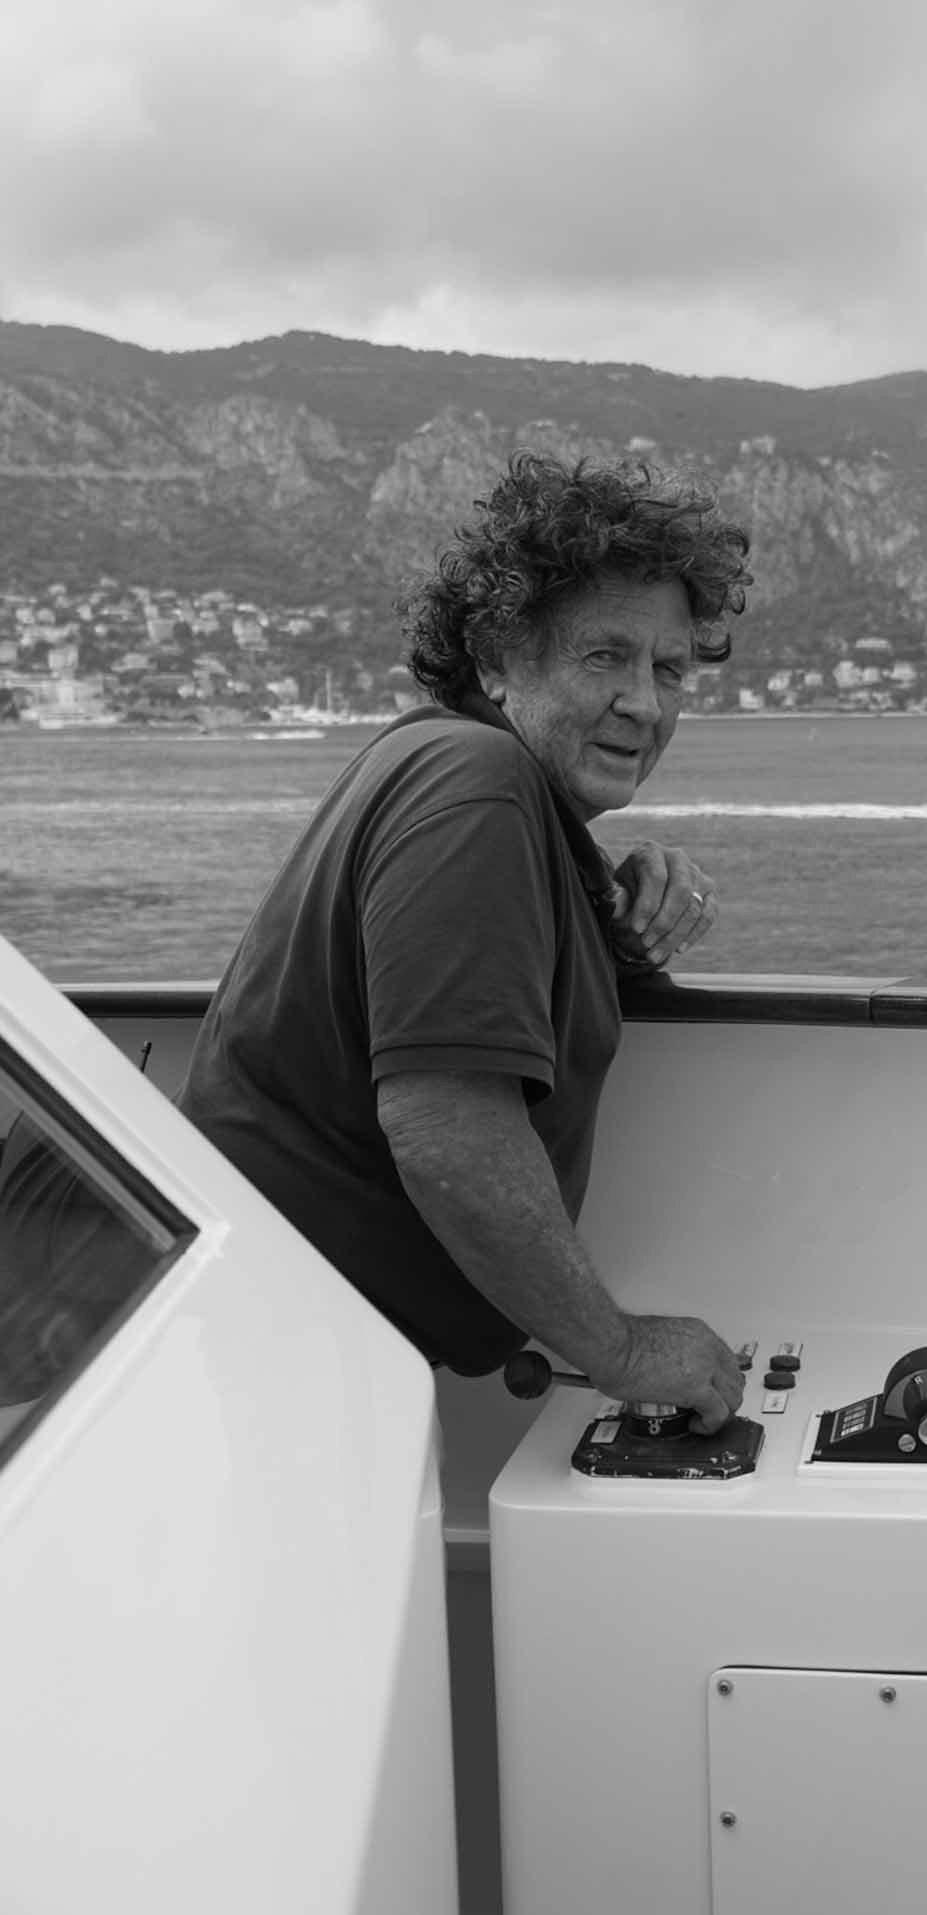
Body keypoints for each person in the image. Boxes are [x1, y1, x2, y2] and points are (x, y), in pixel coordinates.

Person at [177, 452, 753, 1433]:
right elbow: (447, 1127)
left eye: (667, 668)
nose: (646, 704)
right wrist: (617, 1349)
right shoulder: (473, 784)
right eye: (604, 656)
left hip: (263, 1330)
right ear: (497, 658)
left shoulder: (457, 773)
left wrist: (609, 909)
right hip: (253, 1357)